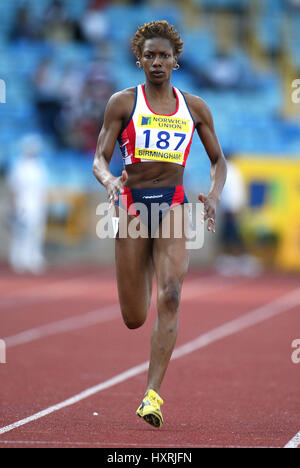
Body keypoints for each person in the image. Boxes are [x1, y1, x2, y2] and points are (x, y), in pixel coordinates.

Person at [92, 20, 227, 428]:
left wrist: (213, 196)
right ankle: (144, 263)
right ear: (139, 59)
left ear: (176, 61)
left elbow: (219, 161)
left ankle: (152, 395)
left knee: (170, 294)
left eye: (163, 56)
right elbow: (99, 157)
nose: (156, 62)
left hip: (173, 206)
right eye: (149, 55)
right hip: (133, 209)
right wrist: (110, 179)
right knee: (134, 316)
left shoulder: (195, 107)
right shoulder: (122, 102)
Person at [8, 134, 48, 274]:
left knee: (36, 232)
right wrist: (14, 205)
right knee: (21, 232)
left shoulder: (39, 166)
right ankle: (19, 259)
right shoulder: (19, 166)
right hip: (22, 203)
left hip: (37, 203)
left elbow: (42, 188)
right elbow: (13, 187)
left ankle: (34, 258)